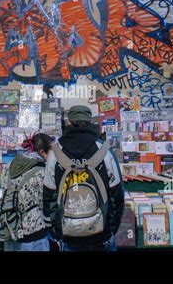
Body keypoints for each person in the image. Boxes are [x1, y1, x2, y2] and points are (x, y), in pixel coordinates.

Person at [43, 105, 124, 251]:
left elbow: (48, 196)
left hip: (68, 234)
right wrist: (111, 228)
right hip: (101, 234)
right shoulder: (104, 149)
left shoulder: (55, 152)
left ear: (69, 122)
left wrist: (54, 230)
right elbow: (117, 195)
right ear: (90, 121)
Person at [0, 133, 55, 251]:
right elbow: (45, 202)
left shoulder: (7, 167)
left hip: (10, 230)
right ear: (43, 152)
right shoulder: (43, 172)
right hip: (34, 235)